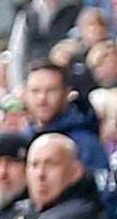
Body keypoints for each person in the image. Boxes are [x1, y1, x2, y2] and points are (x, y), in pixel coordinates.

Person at [22, 61, 110, 201]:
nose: (42, 99)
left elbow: (105, 198)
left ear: (67, 93)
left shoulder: (85, 144)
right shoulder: (23, 139)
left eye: (51, 90)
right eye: (35, 91)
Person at [10, 0, 80, 92]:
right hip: (33, 78)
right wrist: (18, 87)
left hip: (65, 79)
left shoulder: (77, 10)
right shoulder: (28, 14)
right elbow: (18, 52)